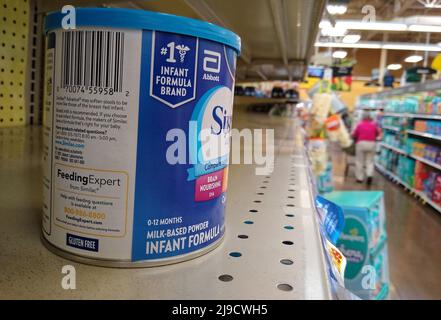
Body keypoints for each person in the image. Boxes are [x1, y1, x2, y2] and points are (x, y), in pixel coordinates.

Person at [352, 112, 380, 185]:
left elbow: (354, 135)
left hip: (361, 143)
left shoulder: (359, 125)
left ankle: (359, 178)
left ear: (362, 118)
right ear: (370, 118)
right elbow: (377, 133)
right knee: (370, 161)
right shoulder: (374, 125)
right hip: (371, 144)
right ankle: (369, 175)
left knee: (359, 161)